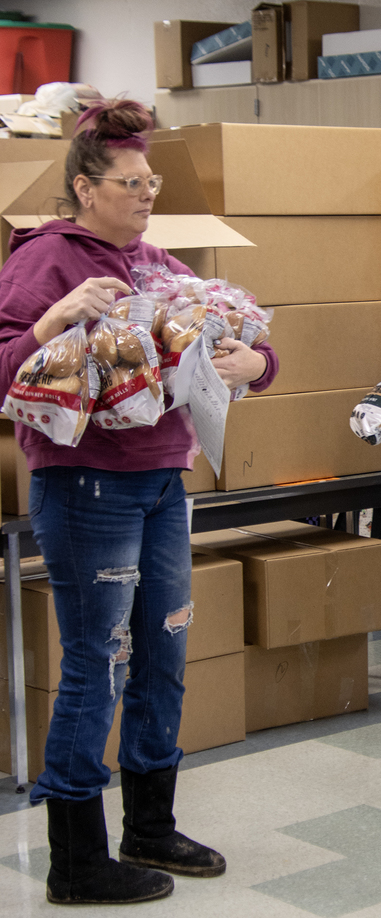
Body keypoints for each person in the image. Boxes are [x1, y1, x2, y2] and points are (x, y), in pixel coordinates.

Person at [0, 99, 279, 905]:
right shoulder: (43, 260)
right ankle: (75, 857)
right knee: (98, 663)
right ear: (86, 188)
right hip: (88, 487)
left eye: (152, 180)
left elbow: (257, 347)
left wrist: (249, 367)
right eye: (132, 182)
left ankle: (150, 825)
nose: (148, 193)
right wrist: (57, 316)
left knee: (164, 653)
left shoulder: (159, 263)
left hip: (164, 480)